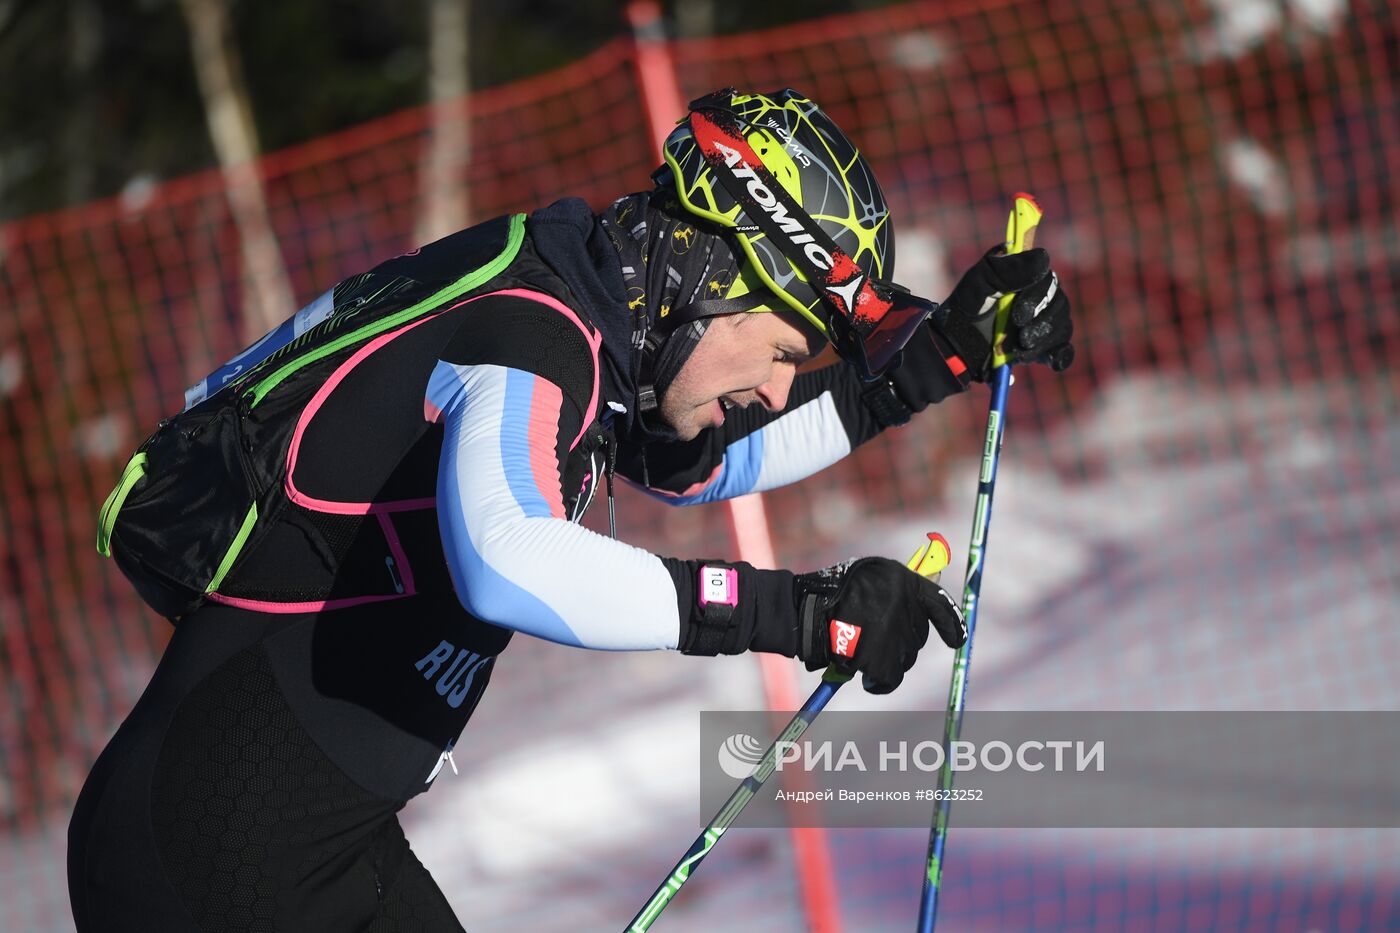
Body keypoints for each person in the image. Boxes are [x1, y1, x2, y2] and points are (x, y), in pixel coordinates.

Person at [70, 88, 1073, 932]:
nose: (776, 389)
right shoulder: (530, 333)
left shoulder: (575, 318)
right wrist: (797, 613)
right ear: (709, 276)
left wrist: (933, 361)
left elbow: (696, 467)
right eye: (779, 349)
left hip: (309, 852)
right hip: (208, 862)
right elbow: (509, 559)